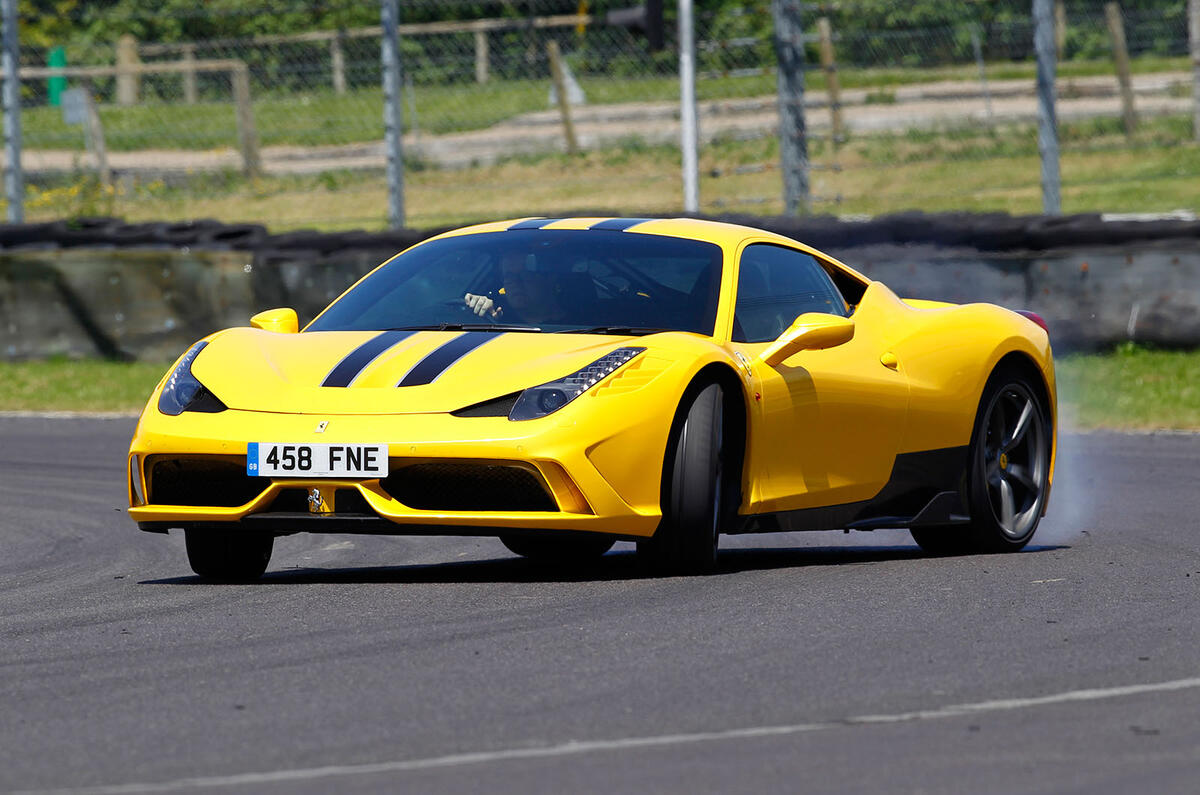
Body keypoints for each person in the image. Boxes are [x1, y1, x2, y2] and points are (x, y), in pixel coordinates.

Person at [464, 250, 564, 323]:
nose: (515, 283)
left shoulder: (577, 322)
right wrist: (479, 311)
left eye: (524, 275)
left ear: (550, 280)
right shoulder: (497, 316)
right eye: (508, 277)